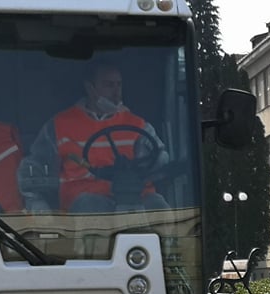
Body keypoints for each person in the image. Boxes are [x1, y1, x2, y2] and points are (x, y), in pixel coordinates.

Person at [18, 63, 169, 213]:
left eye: (119, 85)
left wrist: (151, 164)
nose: (117, 93)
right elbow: (34, 168)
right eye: (109, 85)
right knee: (89, 206)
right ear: (90, 88)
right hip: (84, 206)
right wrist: (37, 203)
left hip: (135, 200)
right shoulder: (60, 125)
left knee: (158, 206)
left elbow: (159, 161)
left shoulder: (138, 125)